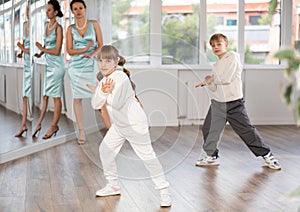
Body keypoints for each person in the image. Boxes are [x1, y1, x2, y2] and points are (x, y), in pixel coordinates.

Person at [87, 45, 172, 207]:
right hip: (119, 125)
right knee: (105, 150)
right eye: (100, 61)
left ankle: (164, 191)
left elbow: (117, 103)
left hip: (134, 124)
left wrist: (104, 93)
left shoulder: (121, 78)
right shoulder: (105, 80)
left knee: (148, 157)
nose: (103, 64)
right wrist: (103, 92)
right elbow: (95, 103)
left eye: (108, 60)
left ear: (116, 62)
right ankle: (113, 185)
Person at [195, 33, 281, 170]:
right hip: (218, 103)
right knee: (208, 129)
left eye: (219, 44)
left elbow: (227, 78)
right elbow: (215, 88)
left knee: (246, 131)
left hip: (234, 103)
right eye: (213, 45)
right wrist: (208, 83)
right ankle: (212, 157)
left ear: (226, 45)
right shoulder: (216, 65)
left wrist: (212, 80)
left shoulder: (233, 57)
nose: (216, 47)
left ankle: (267, 155)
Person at [66, 0, 110, 145]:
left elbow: (101, 44)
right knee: (77, 98)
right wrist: (85, 50)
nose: (78, 11)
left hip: (92, 64)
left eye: (80, 8)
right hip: (75, 66)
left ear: (85, 9)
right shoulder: (70, 29)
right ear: (72, 11)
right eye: (75, 9)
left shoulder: (94, 24)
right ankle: (81, 131)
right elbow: (70, 51)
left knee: (99, 96)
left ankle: (110, 130)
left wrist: (91, 55)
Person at [33, 0, 65, 139]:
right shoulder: (46, 25)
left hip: (57, 66)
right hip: (49, 65)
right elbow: (47, 44)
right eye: (46, 10)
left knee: (56, 97)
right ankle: (39, 124)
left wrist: (42, 49)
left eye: (50, 10)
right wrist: (40, 53)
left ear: (56, 12)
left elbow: (57, 51)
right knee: (45, 96)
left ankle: (53, 126)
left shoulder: (59, 28)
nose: (47, 12)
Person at [15, 2, 31, 137]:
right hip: (26, 65)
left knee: (29, 96)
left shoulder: (37, 26)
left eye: (29, 9)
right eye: (26, 9)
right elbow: (26, 47)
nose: (27, 11)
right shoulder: (25, 25)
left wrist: (21, 48)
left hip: (33, 66)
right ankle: (23, 125)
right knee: (24, 96)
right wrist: (21, 52)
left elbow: (35, 49)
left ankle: (29, 125)